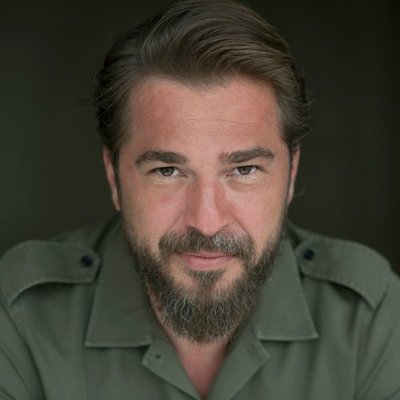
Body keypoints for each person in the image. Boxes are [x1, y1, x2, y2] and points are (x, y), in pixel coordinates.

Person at [1, 0, 399, 398]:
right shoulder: (20, 319)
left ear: (291, 173)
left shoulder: (367, 317)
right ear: (114, 176)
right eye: (167, 171)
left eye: (244, 170)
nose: (206, 222)